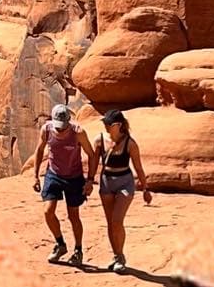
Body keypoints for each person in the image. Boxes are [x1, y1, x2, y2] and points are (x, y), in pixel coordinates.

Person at [33, 103, 98, 264]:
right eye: (58, 127)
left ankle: (78, 250)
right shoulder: (47, 130)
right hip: (53, 174)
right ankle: (60, 244)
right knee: (48, 211)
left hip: (74, 177)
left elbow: (91, 155)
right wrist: (35, 176)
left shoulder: (78, 133)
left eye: (63, 127)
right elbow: (40, 150)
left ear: (69, 121)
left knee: (73, 215)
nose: (60, 130)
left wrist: (90, 180)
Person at [92, 109, 151, 274]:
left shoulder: (130, 144)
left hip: (125, 182)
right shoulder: (99, 140)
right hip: (106, 181)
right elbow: (94, 162)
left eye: (108, 124)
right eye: (104, 122)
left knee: (117, 220)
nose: (105, 125)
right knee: (111, 222)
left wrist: (145, 188)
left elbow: (138, 167)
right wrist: (89, 181)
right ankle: (116, 256)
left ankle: (121, 256)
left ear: (118, 125)